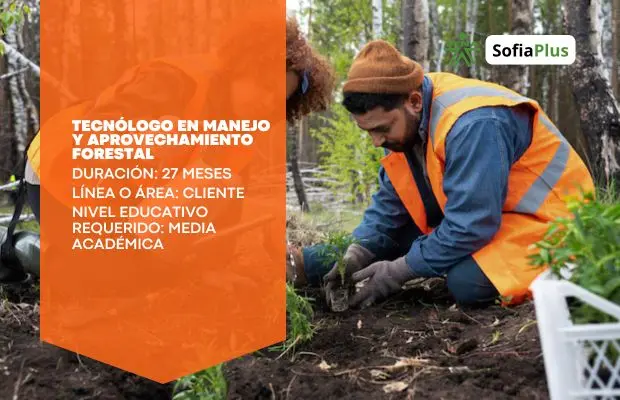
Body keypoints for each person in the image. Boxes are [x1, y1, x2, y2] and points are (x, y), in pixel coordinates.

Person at [0, 16, 335, 283]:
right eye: (263, 85)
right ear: (242, 64)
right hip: (58, 175)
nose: (266, 103)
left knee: (168, 270)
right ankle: (17, 248)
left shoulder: (239, 135)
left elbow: (222, 213)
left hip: (124, 207)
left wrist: (212, 265)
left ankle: (101, 263)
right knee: (125, 277)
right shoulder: (175, 82)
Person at [287, 40, 595, 309]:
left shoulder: (473, 123)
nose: (377, 141)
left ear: (414, 102)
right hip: (493, 216)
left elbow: (471, 226)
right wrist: (355, 254)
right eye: (367, 131)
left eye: (381, 129)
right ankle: (295, 266)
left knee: (466, 283)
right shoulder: (403, 114)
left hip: (550, 225)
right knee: (374, 242)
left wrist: (397, 273)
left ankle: (566, 269)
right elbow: (389, 209)